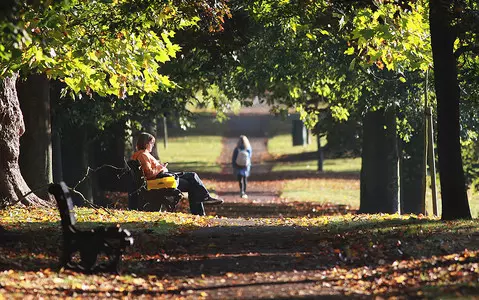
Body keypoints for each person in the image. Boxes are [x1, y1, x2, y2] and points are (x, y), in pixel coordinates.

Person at [131, 132, 223, 215]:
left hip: (161, 178)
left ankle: (203, 203)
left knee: (192, 178)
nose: (152, 146)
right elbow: (150, 173)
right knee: (192, 179)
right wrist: (161, 167)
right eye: (152, 143)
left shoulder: (138, 154)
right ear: (147, 144)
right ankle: (203, 203)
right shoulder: (143, 155)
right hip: (160, 181)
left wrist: (160, 167)